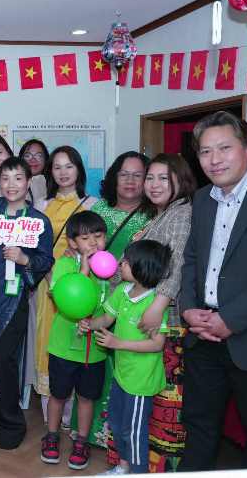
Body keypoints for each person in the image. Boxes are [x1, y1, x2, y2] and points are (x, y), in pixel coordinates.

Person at [178, 112, 247, 471]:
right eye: (205, 151)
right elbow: (191, 259)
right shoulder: (202, 198)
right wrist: (188, 308)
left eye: (224, 148)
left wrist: (230, 319)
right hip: (202, 335)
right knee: (198, 428)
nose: (214, 160)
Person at [0, 157, 54, 450]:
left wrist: (24, 259)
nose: (11, 185)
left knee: (4, 362)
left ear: (29, 182)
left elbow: (45, 260)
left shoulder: (38, 221)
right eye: (5, 178)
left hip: (13, 300)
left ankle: (10, 422)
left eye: (18, 178)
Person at [74, 151, 150, 448]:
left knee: (124, 362)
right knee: (95, 364)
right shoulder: (100, 209)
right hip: (95, 296)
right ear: (114, 178)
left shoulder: (152, 215)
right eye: (124, 174)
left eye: (138, 175)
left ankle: (122, 436)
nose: (130, 181)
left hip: (132, 299)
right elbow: (78, 240)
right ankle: (93, 432)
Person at [80, 239, 173, 475]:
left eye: (127, 262)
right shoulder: (122, 291)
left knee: (134, 432)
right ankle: (123, 468)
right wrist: (89, 324)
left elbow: (157, 344)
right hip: (122, 376)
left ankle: (138, 471)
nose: (120, 264)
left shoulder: (154, 304)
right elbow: (106, 319)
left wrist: (118, 343)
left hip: (140, 383)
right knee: (117, 423)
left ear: (143, 268)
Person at [127, 153, 195, 472]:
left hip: (167, 322)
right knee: (151, 398)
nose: (154, 185)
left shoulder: (181, 213)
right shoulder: (158, 215)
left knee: (168, 403)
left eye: (163, 178)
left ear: (180, 180)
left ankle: (164, 468)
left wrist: (158, 305)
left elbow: (178, 262)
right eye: (150, 178)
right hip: (151, 321)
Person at [42, 211, 110, 471]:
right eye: (84, 238)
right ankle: (51, 435)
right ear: (72, 242)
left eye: (98, 236)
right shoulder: (64, 264)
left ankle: (81, 441)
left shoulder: (110, 267)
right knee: (58, 395)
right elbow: (65, 298)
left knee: (86, 398)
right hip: (63, 348)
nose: (93, 242)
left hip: (95, 351)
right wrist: (84, 269)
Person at [33, 146, 96, 418]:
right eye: (57, 167)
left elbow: (97, 246)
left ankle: (73, 416)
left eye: (69, 166)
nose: (63, 172)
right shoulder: (41, 206)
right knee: (48, 339)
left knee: (76, 339)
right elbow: (34, 248)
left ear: (79, 169)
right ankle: (52, 415)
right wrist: (49, 275)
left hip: (80, 285)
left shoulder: (92, 205)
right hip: (47, 284)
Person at [19, 139, 50, 204]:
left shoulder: (55, 185)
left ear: (46, 159)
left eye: (38, 156)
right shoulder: (14, 185)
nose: (33, 160)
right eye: (28, 156)